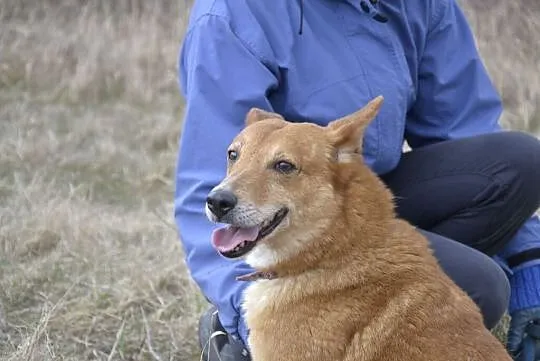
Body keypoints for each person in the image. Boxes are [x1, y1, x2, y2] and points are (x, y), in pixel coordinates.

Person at [173, 0, 540, 360]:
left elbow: (463, 133)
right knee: (478, 285)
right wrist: (252, 310)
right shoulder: (234, 13)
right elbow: (215, 182)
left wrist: (528, 256)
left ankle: (361, 302)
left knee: (523, 159)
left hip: (360, 199)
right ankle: (240, 334)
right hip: (283, 230)